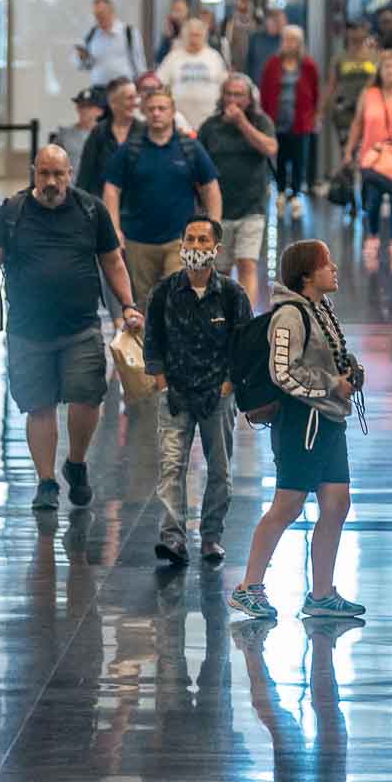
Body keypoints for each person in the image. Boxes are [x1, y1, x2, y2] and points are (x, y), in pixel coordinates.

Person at [0, 146, 143, 510]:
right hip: (28, 331)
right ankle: (46, 482)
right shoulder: (11, 213)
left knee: (86, 398)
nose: (50, 182)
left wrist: (127, 306)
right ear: (34, 173)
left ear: (70, 173)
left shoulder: (91, 210)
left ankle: (76, 463)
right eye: (44, 174)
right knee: (38, 405)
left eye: (58, 175)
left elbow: (112, 261)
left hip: (81, 327)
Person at [230, 239, 365, 623]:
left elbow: (328, 357)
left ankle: (321, 594)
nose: (334, 269)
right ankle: (248, 588)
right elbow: (282, 372)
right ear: (306, 275)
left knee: (337, 504)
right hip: (301, 423)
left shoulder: (322, 309)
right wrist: (330, 385)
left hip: (329, 421)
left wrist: (348, 372)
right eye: (326, 264)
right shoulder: (289, 316)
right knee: (287, 506)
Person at [145, 215, 252, 566]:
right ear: (181, 245)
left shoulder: (233, 295)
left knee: (219, 470)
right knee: (171, 466)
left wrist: (228, 385)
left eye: (203, 241)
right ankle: (173, 538)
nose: (195, 247)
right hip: (174, 396)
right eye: (190, 239)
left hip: (216, 398)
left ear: (216, 249)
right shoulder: (164, 293)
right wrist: (161, 383)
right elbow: (153, 343)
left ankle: (211, 536)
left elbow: (245, 346)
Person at [102, 87, 224, 315]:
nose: (156, 113)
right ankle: (148, 350)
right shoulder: (131, 149)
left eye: (162, 108)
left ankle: (177, 349)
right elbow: (111, 189)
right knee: (143, 304)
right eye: (151, 109)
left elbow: (211, 187)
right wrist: (114, 229)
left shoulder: (189, 148)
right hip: (139, 241)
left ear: (172, 112)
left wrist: (213, 228)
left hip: (179, 241)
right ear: (144, 113)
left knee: (178, 299)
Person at [197, 73, 279, 301]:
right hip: (219, 210)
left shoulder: (261, 121)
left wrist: (242, 122)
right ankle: (221, 316)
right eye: (229, 94)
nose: (233, 100)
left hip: (252, 207)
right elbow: (197, 163)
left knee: (247, 263)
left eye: (239, 95)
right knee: (220, 269)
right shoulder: (210, 127)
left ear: (249, 98)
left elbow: (271, 148)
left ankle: (246, 318)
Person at [344, 50, 392, 272]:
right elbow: (358, 123)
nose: (390, 71)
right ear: (380, 70)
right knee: (372, 199)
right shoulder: (368, 93)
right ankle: (372, 238)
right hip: (371, 156)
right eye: (386, 67)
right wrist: (349, 151)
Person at [259, 25, 321, 219]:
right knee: (279, 159)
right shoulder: (272, 64)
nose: (290, 44)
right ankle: (280, 193)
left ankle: (295, 195)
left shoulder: (308, 65)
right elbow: (264, 92)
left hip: (301, 121)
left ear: (300, 43)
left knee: (298, 159)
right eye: (286, 39)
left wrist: (315, 116)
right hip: (276, 120)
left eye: (294, 40)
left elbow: (315, 93)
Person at [158, 11, 230, 124]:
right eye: (191, 35)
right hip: (179, 118)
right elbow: (160, 82)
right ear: (184, 36)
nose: (194, 39)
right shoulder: (173, 57)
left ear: (205, 36)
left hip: (209, 117)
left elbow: (225, 84)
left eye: (198, 35)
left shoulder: (214, 56)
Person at [75, 76, 136, 203]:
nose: (135, 102)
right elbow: (85, 176)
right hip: (102, 208)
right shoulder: (99, 133)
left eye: (136, 97)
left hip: (136, 211)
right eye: (129, 98)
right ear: (113, 103)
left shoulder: (144, 131)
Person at [327, 21, 377, 146]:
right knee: (347, 148)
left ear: (366, 32)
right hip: (344, 108)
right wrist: (322, 110)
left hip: (368, 106)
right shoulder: (339, 57)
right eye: (351, 29)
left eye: (359, 28)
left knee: (367, 146)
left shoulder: (375, 56)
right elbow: (331, 85)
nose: (355, 32)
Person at [76, 0, 142, 88]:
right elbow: (86, 65)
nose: (99, 18)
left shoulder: (129, 32)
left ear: (111, 11)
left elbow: (139, 62)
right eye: (96, 15)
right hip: (99, 89)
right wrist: (83, 57)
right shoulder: (91, 35)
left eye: (102, 13)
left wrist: (142, 84)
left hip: (124, 89)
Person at [49, 88, 102, 176]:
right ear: (77, 108)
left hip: (97, 188)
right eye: (81, 106)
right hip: (70, 187)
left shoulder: (107, 136)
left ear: (100, 111)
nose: (84, 110)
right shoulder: (64, 135)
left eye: (89, 107)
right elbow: (51, 163)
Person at [242, 7, 286, 93]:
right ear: (267, 21)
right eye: (274, 22)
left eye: (281, 22)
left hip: (279, 88)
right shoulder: (256, 38)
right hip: (256, 88)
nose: (279, 25)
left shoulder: (285, 41)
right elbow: (248, 64)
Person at [153, 0, 190, 65]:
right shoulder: (169, 32)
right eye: (174, 10)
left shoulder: (191, 30)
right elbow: (159, 59)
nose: (177, 14)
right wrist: (167, 38)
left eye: (180, 10)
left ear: (187, 11)